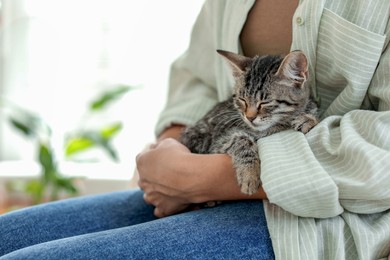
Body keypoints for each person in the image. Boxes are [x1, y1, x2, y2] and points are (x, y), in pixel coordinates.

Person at [1, 0, 389, 259]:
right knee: (7, 236)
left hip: (326, 220)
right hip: (196, 169)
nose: (253, 114)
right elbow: (199, 75)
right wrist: (169, 159)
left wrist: (205, 179)